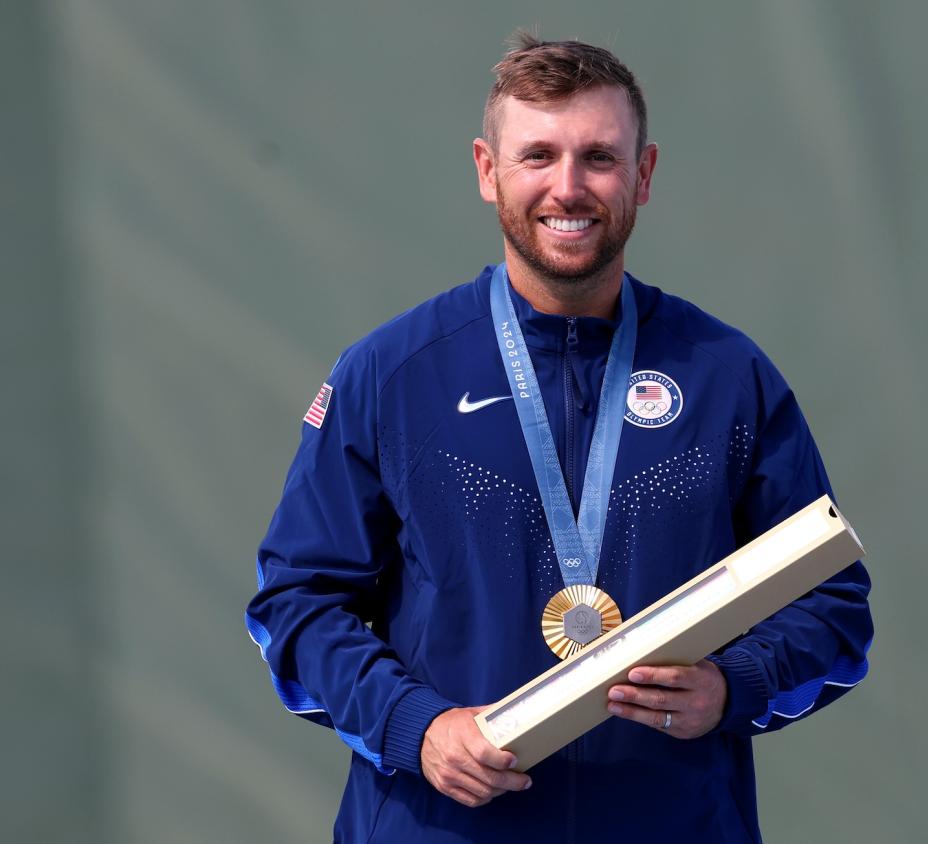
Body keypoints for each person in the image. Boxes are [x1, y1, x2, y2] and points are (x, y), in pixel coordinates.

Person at [247, 33, 872, 844]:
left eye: (599, 157)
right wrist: (416, 728)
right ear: (486, 169)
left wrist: (734, 683)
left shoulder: (726, 376)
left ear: (643, 176)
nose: (567, 187)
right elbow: (298, 603)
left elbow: (831, 601)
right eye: (537, 155)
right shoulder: (391, 375)